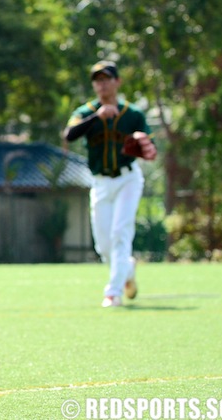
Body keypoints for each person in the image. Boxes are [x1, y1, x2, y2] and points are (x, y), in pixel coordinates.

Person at [63, 60, 156, 308]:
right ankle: (127, 269)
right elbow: (69, 135)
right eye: (98, 80)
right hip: (101, 182)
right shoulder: (86, 112)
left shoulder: (132, 114)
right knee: (103, 245)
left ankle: (113, 293)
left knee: (120, 233)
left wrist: (142, 140)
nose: (102, 84)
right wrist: (96, 117)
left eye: (107, 79)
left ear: (117, 82)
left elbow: (150, 146)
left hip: (127, 178)